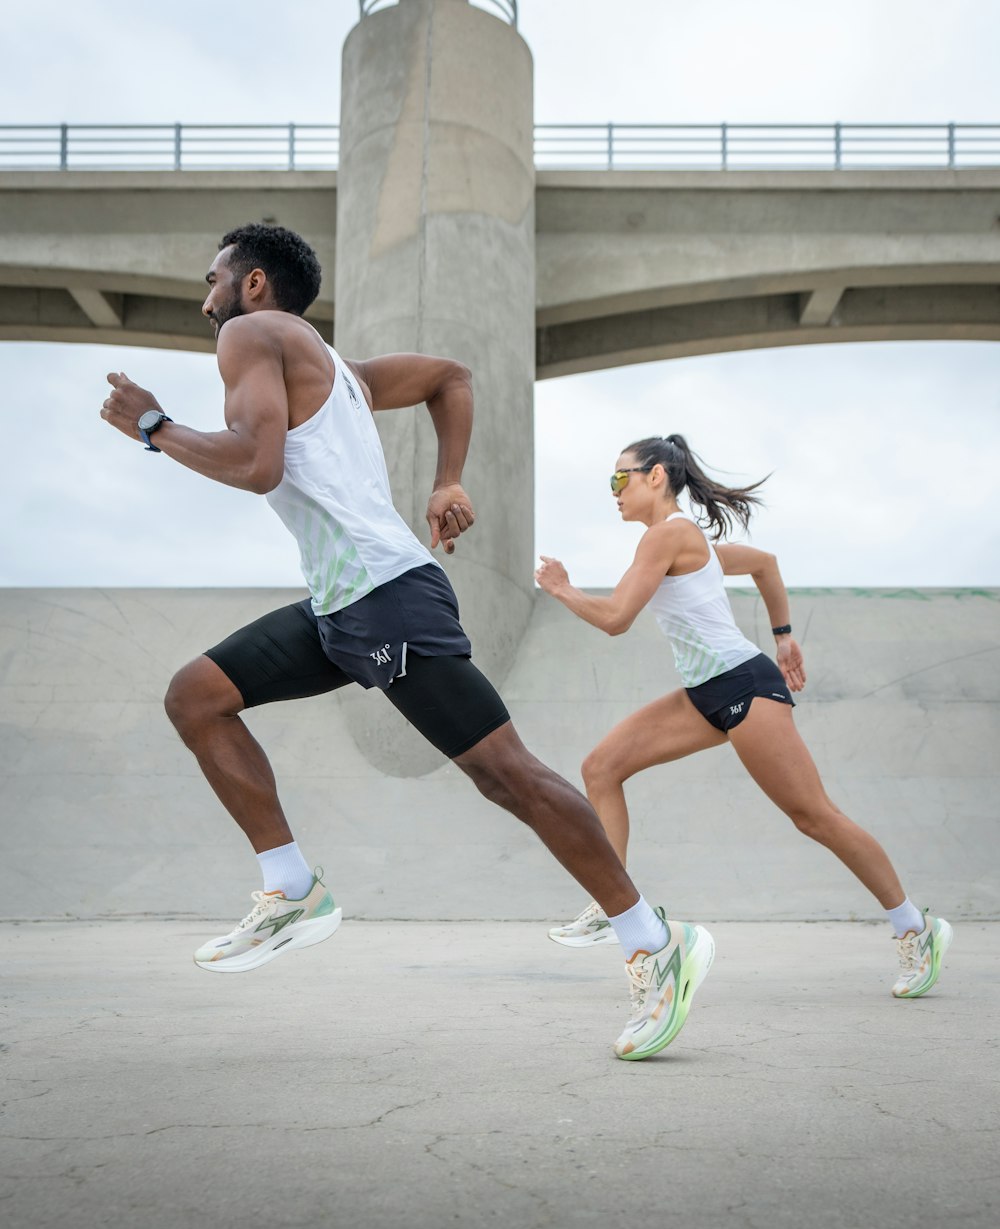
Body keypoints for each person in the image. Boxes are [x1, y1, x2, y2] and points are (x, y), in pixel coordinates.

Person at [98, 222, 714, 1060]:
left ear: (250, 285)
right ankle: (292, 887)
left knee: (509, 776)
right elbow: (450, 378)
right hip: (341, 606)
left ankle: (653, 940)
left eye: (212, 277)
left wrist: (153, 425)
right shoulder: (337, 371)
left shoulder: (249, 335)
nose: (202, 293)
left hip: (385, 598)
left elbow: (258, 465)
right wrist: (448, 475)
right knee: (197, 694)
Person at [535, 434, 952, 1000]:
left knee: (814, 816)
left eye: (619, 478)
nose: (613, 492)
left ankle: (916, 929)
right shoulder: (689, 542)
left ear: (655, 476)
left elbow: (615, 619)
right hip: (705, 692)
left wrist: (560, 588)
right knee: (601, 767)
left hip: (745, 687)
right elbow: (765, 564)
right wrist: (784, 637)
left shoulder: (668, 534)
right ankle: (613, 905)